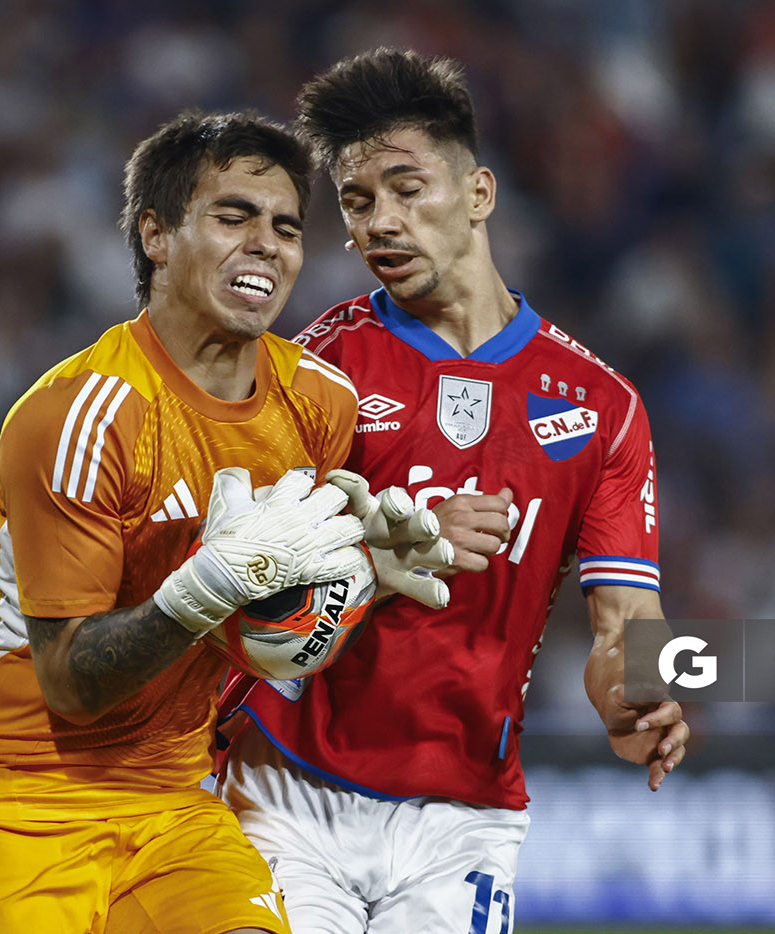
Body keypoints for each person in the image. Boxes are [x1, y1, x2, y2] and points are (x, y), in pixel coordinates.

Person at [216, 50, 690, 933]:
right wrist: (385, 547)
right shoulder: (317, 370)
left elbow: (625, 627)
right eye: (358, 203)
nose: (381, 223)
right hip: (289, 784)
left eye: (407, 189)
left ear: (478, 193)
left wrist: (633, 697)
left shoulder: (603, 408)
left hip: (466, 817)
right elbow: (246, 594)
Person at [0, 110, 374, 934]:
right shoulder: (78, 416)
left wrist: (369, 575)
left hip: (168, 800)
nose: (267, 244)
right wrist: (205, 590)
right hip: (2, 792)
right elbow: (71, 684)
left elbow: (277, 623)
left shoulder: (321, 405)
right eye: (234, 216)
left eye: (287, 227)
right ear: (156, 236)